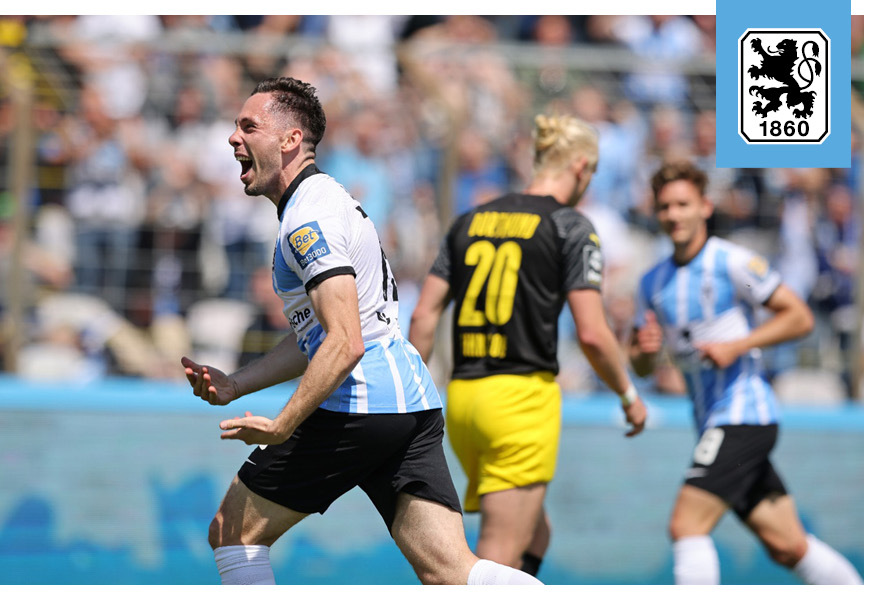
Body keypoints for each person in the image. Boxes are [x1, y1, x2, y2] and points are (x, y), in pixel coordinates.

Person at [180, 77, 541, 585]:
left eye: (248, 126)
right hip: (409, 402)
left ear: (290, 140)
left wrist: (283, 423)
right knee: (452, 572)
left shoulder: (309, 220)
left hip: (358, 404)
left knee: (234, 533)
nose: (233, 138)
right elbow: (321, 335)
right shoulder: (325, 199)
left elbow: (344, 342)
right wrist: (238, 384)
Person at [408, 114, 648, 576]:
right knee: (495, 559)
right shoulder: (570, 225)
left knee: (536, 533)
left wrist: (416, 394)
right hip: (519, 402)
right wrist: (628, 394)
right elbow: (594, 333)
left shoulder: (469, 219)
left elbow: (423, 315)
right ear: (581, 167)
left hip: (463, 401)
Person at [629, 161, 862, 585]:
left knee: (686, 526)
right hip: (711, 424)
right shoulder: (652, 282)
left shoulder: (731, 262)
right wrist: (643, 354)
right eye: (665, 207)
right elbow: (641, 361)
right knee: (789, 546)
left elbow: (799, 317)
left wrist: (738, 345)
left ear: (705, 206)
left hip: (744, 417)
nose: (673, 215)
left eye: (683, 204)